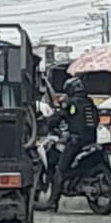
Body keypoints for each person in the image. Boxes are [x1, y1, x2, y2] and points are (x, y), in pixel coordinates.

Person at [40, 77, 98, 211]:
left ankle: (53, 201)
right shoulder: (89, 102)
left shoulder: (71, 103)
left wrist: (49, 122)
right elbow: (97, 119)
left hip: (76, 141)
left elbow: (61, 116)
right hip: (91, 139)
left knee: (60, 169)